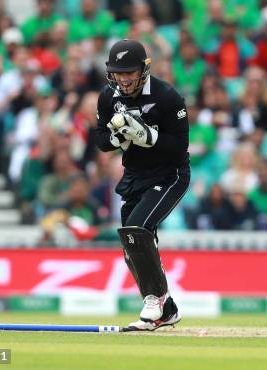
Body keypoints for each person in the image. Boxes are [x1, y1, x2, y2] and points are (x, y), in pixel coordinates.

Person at [95, 39, 190, 331]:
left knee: (137, 229)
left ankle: (153, 301)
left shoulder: (167, 96)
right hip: (135, 176)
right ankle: (166, 307)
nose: (124, 79)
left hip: (169, 175)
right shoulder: (108, 98)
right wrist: (121, 136)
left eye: (129, 72)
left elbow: (180, 146)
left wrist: (148, 137)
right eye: (118, 73)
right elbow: (101, 142)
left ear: (144, 69)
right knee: (132, 243)